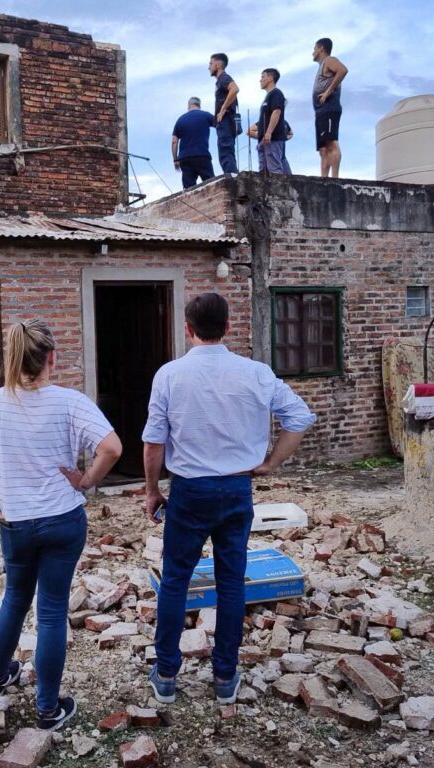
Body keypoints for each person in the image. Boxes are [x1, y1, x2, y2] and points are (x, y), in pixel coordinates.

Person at [141, 293, 315, 705]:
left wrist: (152, 490)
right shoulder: (256, 373)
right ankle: (225, 677)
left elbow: (153, 443)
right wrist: (270, 462)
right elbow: (300, 418)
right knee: (232, 582)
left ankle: (166, 674)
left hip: (189, 490)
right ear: (228, 327)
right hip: (237, 489)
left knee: (176, 580)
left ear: (188, 328)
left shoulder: (170, 374)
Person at [0, 320, 122, 731]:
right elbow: (112, 447)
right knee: (50, 613)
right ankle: (48, 709)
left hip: (16, 523)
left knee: (15, 598)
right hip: (63, 520)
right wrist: (87, 481)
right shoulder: (69, 402)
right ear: (52, 357)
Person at [312, 37, 348, 178]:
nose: (313, 52)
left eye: (314, 49)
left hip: (329, 108)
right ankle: (324, 179)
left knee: (331, 143)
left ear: (321, 48)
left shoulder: (329, 60)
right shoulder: (322, 66)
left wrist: (328, 92)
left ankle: (335, 178)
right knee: (323, 149)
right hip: (320, 111)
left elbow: (343, 70)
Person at [171, 96, 215, 189]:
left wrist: (175, 160)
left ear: (188, 106)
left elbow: (174, 142)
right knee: (211, 185)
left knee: (189, 190)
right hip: (202, 155)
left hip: (185, 158)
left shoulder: (180, 120)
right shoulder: (206, 115)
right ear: (199, 105)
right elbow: (220, 124)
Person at [208, 53, 239, 175]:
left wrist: (222, 110)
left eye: (211, 63)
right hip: (226, 122)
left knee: (225, 151)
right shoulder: (220, 81)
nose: (209, 67)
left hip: (226, 121)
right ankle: (233, 176)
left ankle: (233, 179)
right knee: (227, 152)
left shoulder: (223, 78)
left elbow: (235, 89)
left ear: (218, 64)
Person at [256, 68, 287, 175]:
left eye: (262, 77)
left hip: (273, 139)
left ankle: (278, 192)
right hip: (263, 140)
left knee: (274, 170)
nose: (260, 80)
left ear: (270, 78)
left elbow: (277, 111)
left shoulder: (276, 93)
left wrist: (269, 132)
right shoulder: (268, 96)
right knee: (263, 173)